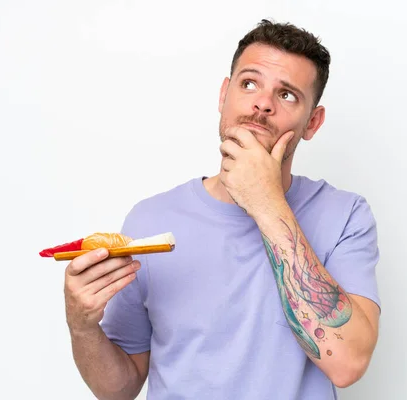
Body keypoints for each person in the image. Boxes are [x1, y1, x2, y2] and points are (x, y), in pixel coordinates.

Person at [64, 19, 381, 400]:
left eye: (287, 95)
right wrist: (82, 327)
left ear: (312, 122)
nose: (262, 103)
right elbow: (119, 389)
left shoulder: (346, 216)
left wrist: (265, 202)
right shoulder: (151, 221)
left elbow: (346, 364)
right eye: (249, 83)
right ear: (223, 95)